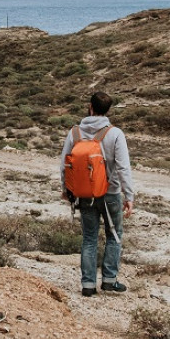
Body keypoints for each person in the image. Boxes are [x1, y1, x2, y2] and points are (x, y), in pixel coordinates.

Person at [59, 91, 135, 297]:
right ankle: (110, 280)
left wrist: (67, 189)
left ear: (90, 107)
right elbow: (123, 168)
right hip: (110, 193)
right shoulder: (115, 133)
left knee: (90, 238)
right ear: (107, 110)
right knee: (114, 235)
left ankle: (88, 285)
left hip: (84, 194)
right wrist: (129, 196)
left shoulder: (74, 132)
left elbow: (65, 164)